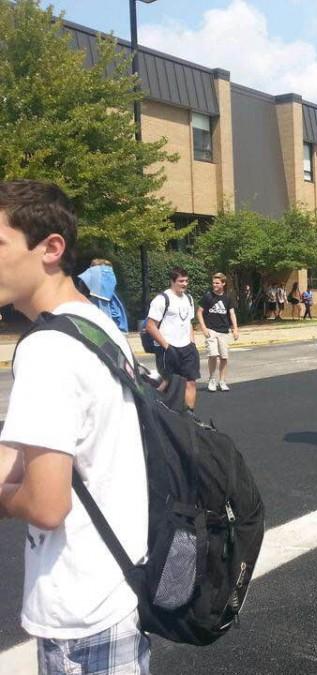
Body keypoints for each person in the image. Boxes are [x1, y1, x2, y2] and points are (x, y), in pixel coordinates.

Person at [0, 180, 150, 673]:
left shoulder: (47, 350)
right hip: (120, 588)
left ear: (51, 248)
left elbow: (46, 504)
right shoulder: (93, 323)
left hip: (79, 614)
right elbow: (29, 450)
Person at [145, 267, 201, 411]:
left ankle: (190, 417)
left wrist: (192, 344)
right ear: (172, 281)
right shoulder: (162, 299)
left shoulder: (189, 299)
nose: (184, 284)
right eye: (181, 281)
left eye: (186, 281)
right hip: (167, 348)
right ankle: (154, 408)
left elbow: (188, 322)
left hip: (187, 347)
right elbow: (150, 326)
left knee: (191, 383)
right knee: (169, 383)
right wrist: (167, 346)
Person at [197, 272, 239, 393]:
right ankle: (211, 379)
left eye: (217, 283)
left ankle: (222, 381)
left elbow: (231, 313)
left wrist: (235, 329)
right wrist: (204, 328)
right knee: (213, 355)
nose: (214, 285)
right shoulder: (208, 296)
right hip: (211, 330)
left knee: (224, 357)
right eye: (213, 282)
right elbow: (199, 312)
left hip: (224, 331)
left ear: (223, 283)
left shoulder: (228, 297)